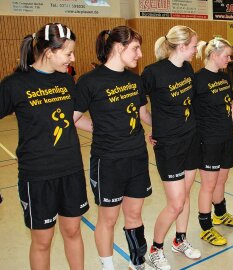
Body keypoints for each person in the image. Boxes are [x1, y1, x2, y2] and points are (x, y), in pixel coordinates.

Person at [0, 23, 90, 269]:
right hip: (37, 175)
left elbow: (72, 117)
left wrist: (105, 131)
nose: (73, 58)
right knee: (43, 240)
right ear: (49, 52)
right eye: (68, 53)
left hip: (71, 169)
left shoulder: (66, 81)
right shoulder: (15, 84)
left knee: (73, 231)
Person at [75, 26, 153, 270]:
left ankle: (137, 262)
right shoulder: (90, 81)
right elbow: (74, 117)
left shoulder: (134, 80)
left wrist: (167, 126)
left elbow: (143, 114)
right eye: (135, 48)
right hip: (108, 161)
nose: (140, 54)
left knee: (134, 215)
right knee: (108, 218)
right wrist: (99, 129)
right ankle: (108, 266)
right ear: (119, 47)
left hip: (137, 157)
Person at [141, 25, 202, 270]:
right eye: (194, 46)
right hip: (169, 145)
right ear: (182, 46)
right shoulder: (153, 72)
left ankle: (180, 240)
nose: (196, 50)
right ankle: (154, 249)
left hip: (190, 140)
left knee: (186, 196)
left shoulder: (187, 68)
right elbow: (137, 105)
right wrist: (153, 127)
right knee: (175, 203)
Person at [194, 37, 233, 246]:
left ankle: (219, 214)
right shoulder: (197, 79)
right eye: (227, 56)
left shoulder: (224, 79)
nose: (230, 59)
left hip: (225, 137)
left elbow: (230, 106)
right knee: (208, 184)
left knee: (221, 180)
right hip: (208, 139)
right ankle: (206, 228)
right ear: (214, 55)